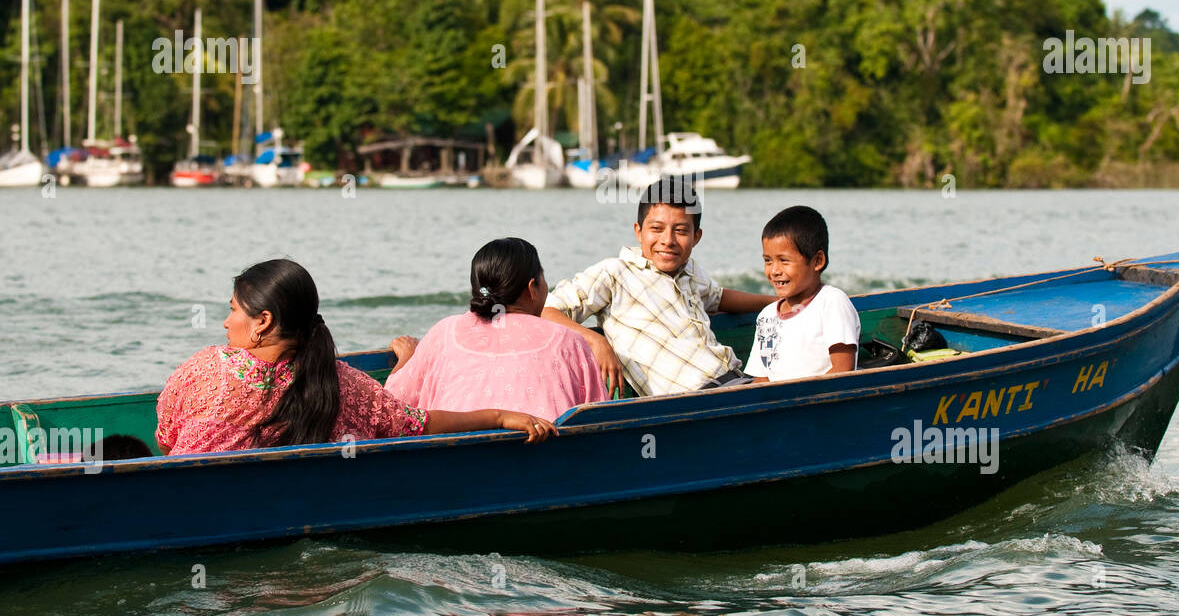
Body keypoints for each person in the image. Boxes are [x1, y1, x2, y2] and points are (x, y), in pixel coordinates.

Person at [156, 259, 555, 456]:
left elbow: (166, 437)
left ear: (262, 321)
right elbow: (415, 424)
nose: (226, 323)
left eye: (232, 311)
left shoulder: (207, 367)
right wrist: (499, 416)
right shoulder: (339, 382)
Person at [542, 179, 773, 397]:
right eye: (657, 229)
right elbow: (547, 311)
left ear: (696, 237)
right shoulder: (615, 274)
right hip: (690, 398)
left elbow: (719, 298)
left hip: (735, 380)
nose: (668, 240)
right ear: (638, 231)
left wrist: (778, 302)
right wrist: (595, 341)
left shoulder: (690, 272)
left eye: (681, 231)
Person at [385, 238, 608, 421]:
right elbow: (598, 420)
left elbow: (392, 404)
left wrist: (407, 356)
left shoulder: (444, 332)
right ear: (532, 288)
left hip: (454, 464)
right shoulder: (568, 340)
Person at [745, 206, 860, 382]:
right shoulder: (766, 316)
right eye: (768, 261)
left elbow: (843, 370)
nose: (774, 270)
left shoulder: (831, 302)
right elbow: (761, 379)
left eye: (784, 260)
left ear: (817, 261)